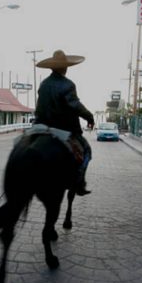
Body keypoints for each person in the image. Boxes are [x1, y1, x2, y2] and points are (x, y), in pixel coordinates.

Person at [34, 50, 95, 196]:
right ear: (64, 67)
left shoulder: (43, 84)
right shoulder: (67, 85)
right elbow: (75, 105)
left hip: (40, 128)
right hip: (63, 130)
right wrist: (89, 117)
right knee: (86, 151)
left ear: (52, 68)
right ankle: (79, 182)